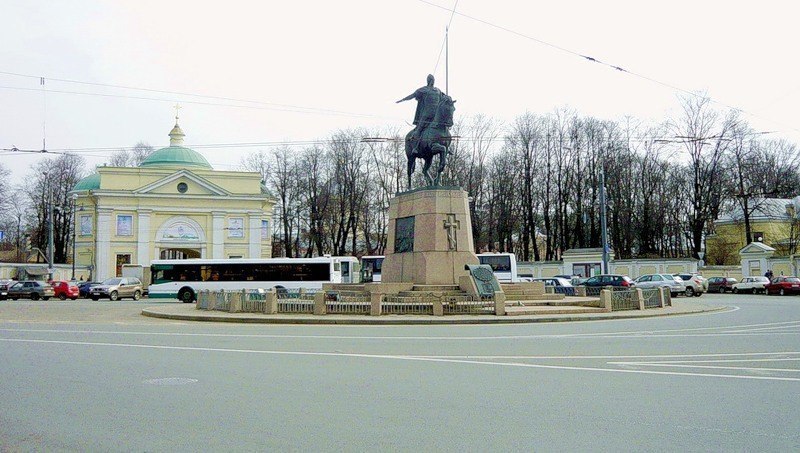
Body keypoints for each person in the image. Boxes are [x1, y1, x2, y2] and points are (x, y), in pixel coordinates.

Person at [397, 74, 442, 156]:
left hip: (436, 115)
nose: (433, 81)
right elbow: (412, 95)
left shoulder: (438, 90)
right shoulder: (423, 90)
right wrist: (403, 99)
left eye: (433, 79)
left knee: (443, 128)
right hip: (426, 114)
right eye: (431, 80)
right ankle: (415, 147)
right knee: (419, 129)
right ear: (428, 81)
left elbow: (445, 98)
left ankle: (447, 145)